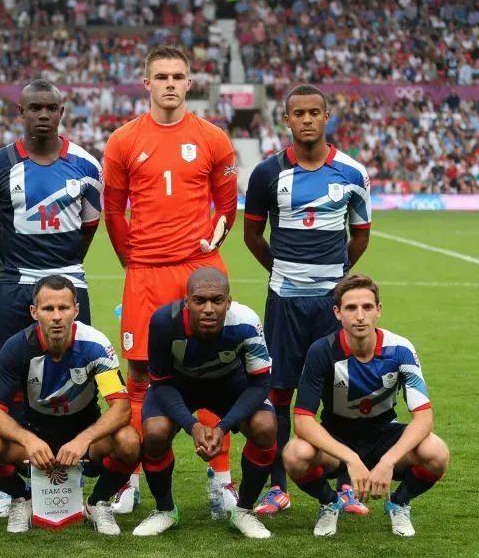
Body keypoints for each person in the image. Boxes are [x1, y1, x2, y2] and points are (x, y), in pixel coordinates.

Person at [102, 44, 239, 514]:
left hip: (196, 273)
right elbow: (113, 211)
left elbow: (226, 205)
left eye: (177, 76)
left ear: (189, 82)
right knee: (139, 375)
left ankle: (220, 478)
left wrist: (211, 242)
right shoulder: (122, 140)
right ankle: (131, 479)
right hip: (144, 272)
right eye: (160, 76)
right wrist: (132, 259)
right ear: (146, 83)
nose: (169, 84)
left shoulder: (212, 138)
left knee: (210, 371)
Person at [0, 78, 104, 519]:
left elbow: (88, 227)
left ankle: (80, 470)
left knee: (82, 374)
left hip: (70, 279)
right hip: (14, 284)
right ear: (20, 113)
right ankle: (12, 491)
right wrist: (15, 269)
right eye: (35, 108)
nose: (43, 115)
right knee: (8, 383)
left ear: (62, 111)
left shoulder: (86, 165)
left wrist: (61, 271)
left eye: (51, 107)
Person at [243, 84, 372, 515]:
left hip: (331, 305)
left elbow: (360, 236)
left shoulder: (353, 172)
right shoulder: (266, 173)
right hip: (284, 300)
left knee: (339, 393)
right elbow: (252, 236)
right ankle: (279, 487)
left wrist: (333, 280)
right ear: (286, 119)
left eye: (315, 112)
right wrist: (285, 273)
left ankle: (344, 486)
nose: (308, 120)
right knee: (279, 392)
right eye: (299, 113)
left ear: (327, 115)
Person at [283, 274, 448, 537]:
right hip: (338, 438)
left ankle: (399, 502)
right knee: (295, 454)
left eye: (367, 307)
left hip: (385, 434)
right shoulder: (321, 351)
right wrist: (350, 458)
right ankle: (329, 503)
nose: (359, 316)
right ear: (338, 313)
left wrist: (389, 460)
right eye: (351, 308)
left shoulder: (400, 350)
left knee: (436, 452)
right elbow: (302, 420)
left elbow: (424, 418)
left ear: (378, 311)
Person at [0, 275, 140, 535]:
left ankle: (98, 503)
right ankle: (24, 498)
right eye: (48, 308)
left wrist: (84, 439)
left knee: (128, 441)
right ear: (34, 312)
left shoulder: (96, 346)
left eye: (63, 308)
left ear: (76, 309)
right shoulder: (16, 348)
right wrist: (28, 440)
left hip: (85, 444)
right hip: (34, 443)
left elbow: (121, 408)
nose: (56, 316)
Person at [132, 268, 276, 538]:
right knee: (154, 432)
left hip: (228, 382)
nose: (209, 308)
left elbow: (259, 384)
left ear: (229, 302)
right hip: (177, 384)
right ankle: (165, 510)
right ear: (186, 301)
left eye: (217, 300)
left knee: (265, 427)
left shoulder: (246, 322)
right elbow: (160, 382)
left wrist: (222, 427)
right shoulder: (164, 321)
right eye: (200, 300)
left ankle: (243, 510)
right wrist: (192, 425)